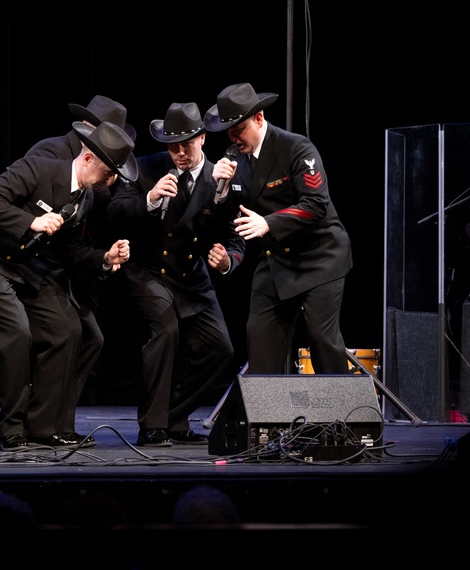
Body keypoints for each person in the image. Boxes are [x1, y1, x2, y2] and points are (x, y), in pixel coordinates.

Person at [0, 119, 137, 451]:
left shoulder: (86, 200)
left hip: (23, 264)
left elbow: (71, 251)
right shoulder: (39, 168)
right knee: (17, 334)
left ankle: (45, 427)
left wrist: (104, 259)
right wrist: (30, 221)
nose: (112, 180)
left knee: (66, 330)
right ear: (89, 157)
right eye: (110, 171)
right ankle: (12, 430)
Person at [106, 102, 244, 447]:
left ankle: (173, 416)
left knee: (220, 348)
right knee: (165, 331)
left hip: (190, 275)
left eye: (186, 144)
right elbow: (115, 210)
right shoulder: (146, 168)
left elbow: (235, 233)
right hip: (148, 271)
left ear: (201, 139)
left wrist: (228, 259)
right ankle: (153, 426)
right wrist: (149, 199)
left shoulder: (221, 175)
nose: (179, 152)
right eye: (172, 145)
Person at [205, 82, 353, 374]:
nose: (234, 137)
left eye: (240, 128)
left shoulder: (295, 147)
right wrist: (219, 192)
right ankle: (267, 419)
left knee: (322, 338)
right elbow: (232, 216)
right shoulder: (235, 156)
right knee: (260, 334)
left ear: (259, 119)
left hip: (320, 256)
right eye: (229, 132)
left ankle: (340, 417)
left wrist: (269, 222)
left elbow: (315, 203)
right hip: (277, 259)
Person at [24, 95, 134, 436]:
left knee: (92, 339)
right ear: (91, 131)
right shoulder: (51, 154)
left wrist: (103, 258)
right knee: (68, 333)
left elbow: (74, 243)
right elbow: (23, 205)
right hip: (28, 262)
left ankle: (60, 422)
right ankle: (40, 423)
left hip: (60, 268)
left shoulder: (96, 174)